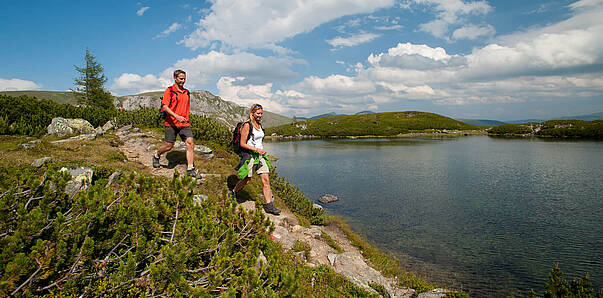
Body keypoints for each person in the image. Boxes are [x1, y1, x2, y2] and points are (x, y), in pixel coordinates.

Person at [230, 104, 281, 215]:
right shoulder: (247, 125)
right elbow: (242, 144)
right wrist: (256, 150)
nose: (260, 115)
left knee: (266, 181)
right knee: (246, 181)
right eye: (258, 113)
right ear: (252, 113)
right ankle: (233, 192)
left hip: (260, 156)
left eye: (261, 113)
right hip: (250, 155)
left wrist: (260, 151)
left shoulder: (259, 125)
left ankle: (269, 206)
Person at [152, 69, 200, 178]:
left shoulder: (187, 92)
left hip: (184, 123)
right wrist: (176, 116)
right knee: (168, 146)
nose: (183, 81)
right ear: (175, 78)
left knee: (190, 143)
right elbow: (164, 107)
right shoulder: (169, 91)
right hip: (171, 123)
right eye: (181, 79)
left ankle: (190, 168)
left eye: (184, 79)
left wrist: (185, 118)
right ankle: (156, 155)